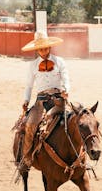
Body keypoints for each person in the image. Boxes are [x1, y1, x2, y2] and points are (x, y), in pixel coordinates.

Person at [18, 30, 70, 171]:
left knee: (76, 122)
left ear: (50, 47)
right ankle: (27, 158)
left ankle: (79, 156)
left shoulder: (60, 62)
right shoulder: (33, 65)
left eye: (46, 47)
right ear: (37, 50)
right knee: (29, 125)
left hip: (58, 99)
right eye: (40, 49)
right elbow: (29, 85)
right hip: (40, 101)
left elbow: (65, 78)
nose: (44, 51)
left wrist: (66, 89)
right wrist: (26, 100)